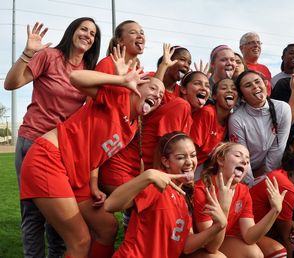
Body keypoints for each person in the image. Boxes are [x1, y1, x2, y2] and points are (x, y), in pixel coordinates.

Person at [20, 48, 164, 258]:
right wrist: (121, 79)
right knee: (80, 241)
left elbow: (96, 152)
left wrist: (93, 184)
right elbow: (76, 77)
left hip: (75, 174)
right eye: (152, 88)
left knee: (108, 228)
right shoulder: (117, 96)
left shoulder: (133, 127)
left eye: (160, 96)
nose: (157, 96)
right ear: (137, 87)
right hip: (49, 159)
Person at [4, 18, 101, 258]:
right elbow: (11, 83)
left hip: (61, 149)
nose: (87, 35)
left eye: (92, 33)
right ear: (72, 31)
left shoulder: (89, 71)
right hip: (33, 140)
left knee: (58, 217)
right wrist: (27, 53)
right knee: (33, 214)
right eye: (83, 29)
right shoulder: (49, 56)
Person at [104, 132, 228, 258]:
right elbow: (110, 205)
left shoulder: (184, 198)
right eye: (180, 157)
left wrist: (218, 226)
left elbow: (186, 246)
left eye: (193, 155)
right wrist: (148, 176)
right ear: (166, 161)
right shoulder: (156, 186)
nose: (189, 162)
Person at [99, 69, 210, 194]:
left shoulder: (187, 113)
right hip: (122, 170)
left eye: (207, 85)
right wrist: (160, 190)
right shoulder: (181, 105)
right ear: (183, 89)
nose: (204, 88)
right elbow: (164, 148)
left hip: (135, 173)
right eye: (197, 83)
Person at [191, 142, 287, 258]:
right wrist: (224, 208)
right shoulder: (202, 190)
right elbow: (210, 247)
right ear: (220, 160)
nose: (245, 161)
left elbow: (249, 236)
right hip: (199, 244)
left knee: (255, 254)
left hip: (221, 238)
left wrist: (275, 211)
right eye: (238, 155)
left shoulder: (243, 191)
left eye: (247, 159)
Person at [228, 70, 291, 178]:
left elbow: (278, 149)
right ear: (242, 96)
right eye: (248, 85)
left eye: (258, 82)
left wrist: (265, 176)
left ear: (265, 85)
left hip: (270, 171)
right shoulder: (236, 119)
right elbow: (241, 157)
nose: (255, 86)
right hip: (244, 173)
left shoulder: (282, 108)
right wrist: (251, 184)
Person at [190, 78, 238, 180]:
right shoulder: (207, 112)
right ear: (214, 96)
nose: (229, 90)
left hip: (205, 167)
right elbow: (191, 148)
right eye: (224, 88)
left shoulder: (231, 119)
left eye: (234, 88)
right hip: (191, 165)